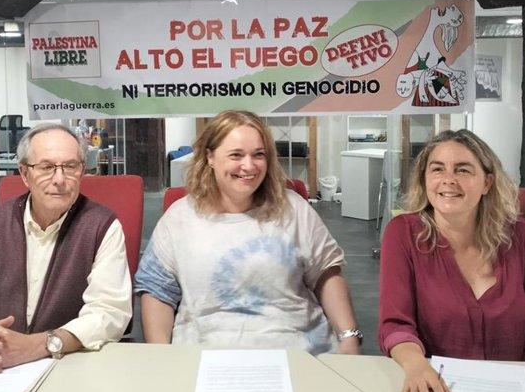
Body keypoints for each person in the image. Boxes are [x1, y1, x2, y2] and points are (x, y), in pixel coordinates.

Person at [135, 110, 361, 355]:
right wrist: (160, 356)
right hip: (203, 355)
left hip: (298, 351)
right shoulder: (179, 218)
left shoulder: (293, 208)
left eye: (258, 155)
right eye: (236, 155)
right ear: (210, 157)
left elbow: (326, 273)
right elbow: (157, 290)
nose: (249, 166)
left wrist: (349, 338)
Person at [379, 129, 525, 392]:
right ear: (425, 180)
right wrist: (415, 366)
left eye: (462, 170)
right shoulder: (402, 234)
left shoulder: (523, 237)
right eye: (437, 169)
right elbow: (395, 324)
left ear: (487, 182)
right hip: (437, 391)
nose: (448, 179)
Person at [0, 123, 132, 371]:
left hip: (71, 366)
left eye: (70, 167)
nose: (59, 179)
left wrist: (37, 346)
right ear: (24, 174)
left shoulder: (102, 227)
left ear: (82, 171)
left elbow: (109, 313)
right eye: (46, 167)